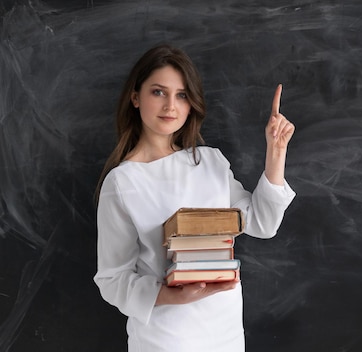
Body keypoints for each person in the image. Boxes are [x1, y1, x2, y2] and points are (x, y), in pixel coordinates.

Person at [93, 44, 296, 351]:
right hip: (165, 338)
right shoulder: (122, 182)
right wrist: (172, 295)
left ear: (191, 104)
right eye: (158, 92)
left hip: (224, 334)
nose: (170, 106)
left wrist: (276, 152)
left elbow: (262, 223)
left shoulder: (210, 162)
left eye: (182, 95)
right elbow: (113, 279)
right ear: (135, 97)